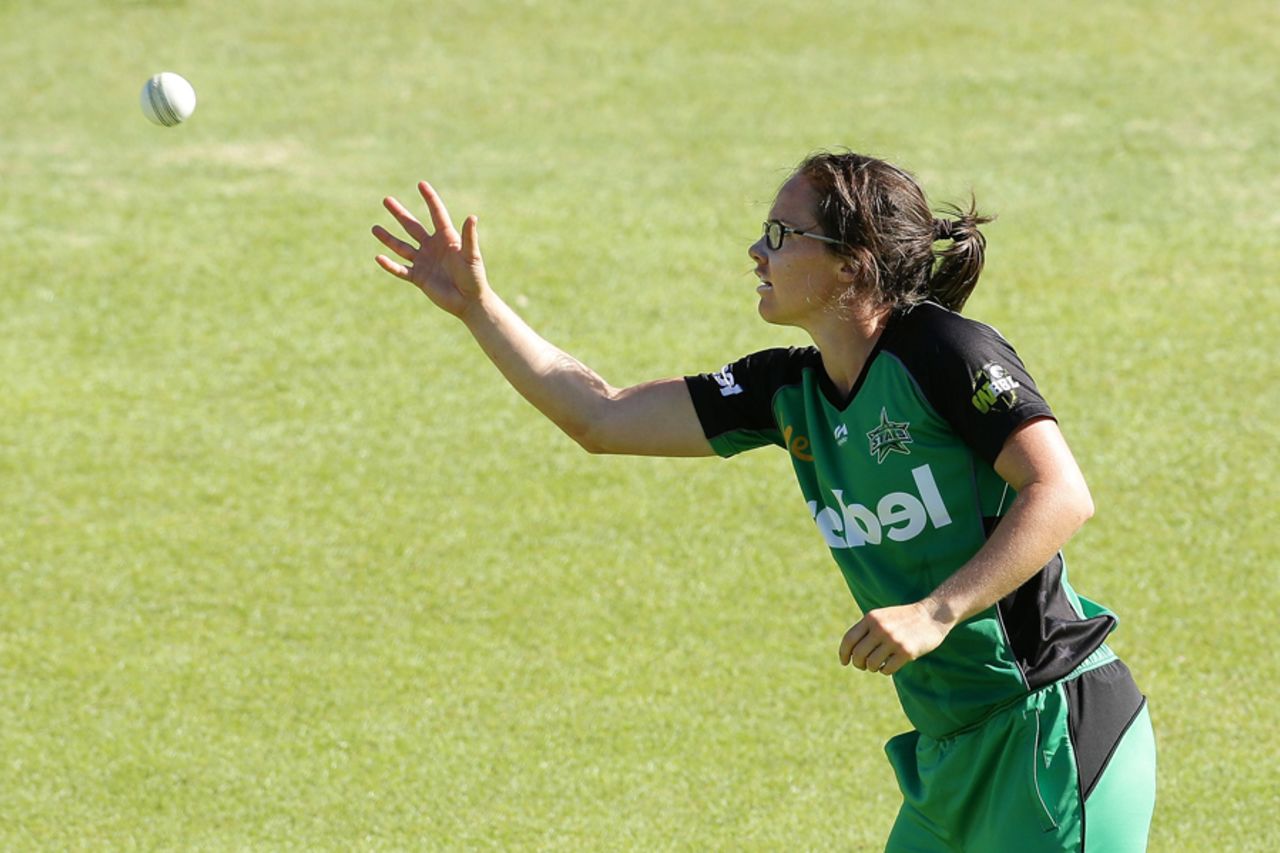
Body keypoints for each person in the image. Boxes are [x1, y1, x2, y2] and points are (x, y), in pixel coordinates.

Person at [371, 151, 1157, 851]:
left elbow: (1061, 491)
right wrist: (479, 306)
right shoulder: (788, 388)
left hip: (1050, 733)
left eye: (782, 236)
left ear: (852, 264)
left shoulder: (945, 352)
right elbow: (600, 415)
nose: (757, 251)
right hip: (952, 756)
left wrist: (936, 610)